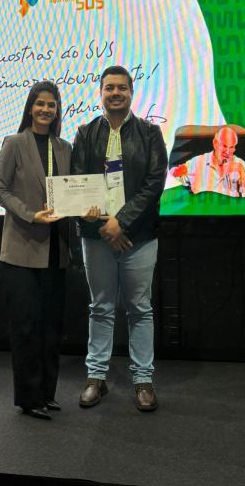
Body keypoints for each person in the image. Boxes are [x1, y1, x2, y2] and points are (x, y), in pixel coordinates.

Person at [71, 65, 168, 412]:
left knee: (140, 309)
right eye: (109, 88)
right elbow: (78, 181)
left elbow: (154, 184)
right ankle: (96, 377)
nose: (115, 93)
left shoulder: (150, 133)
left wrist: (121, 223)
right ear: (101, 93)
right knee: (100, 307)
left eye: (121, 88)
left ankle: (143, 380)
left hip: (139, 238)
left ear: (131, 93)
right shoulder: (85, 133)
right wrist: (102, 224)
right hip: (97, 237)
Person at [0, 80, 71, 421]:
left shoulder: (64, 147)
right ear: (30, 108)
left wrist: (88, 207)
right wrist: (30, 214)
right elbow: (0, 189)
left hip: (56, 251)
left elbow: (71, 191)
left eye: (51, 105)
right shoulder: (14, 143)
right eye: (40, 104)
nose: (45, 110)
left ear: (57, 111)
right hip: (22, 251)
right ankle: (29, 398)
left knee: (51, 328)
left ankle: (47, 393)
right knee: (26, 328)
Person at [170, 126, 245, 197]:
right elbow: (174, 177)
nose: (227, 152)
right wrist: (176, 172)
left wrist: (242, 172)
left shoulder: (239, 163)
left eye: (231, 147)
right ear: (215, 143)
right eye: (224, 146)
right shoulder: (198, 162)